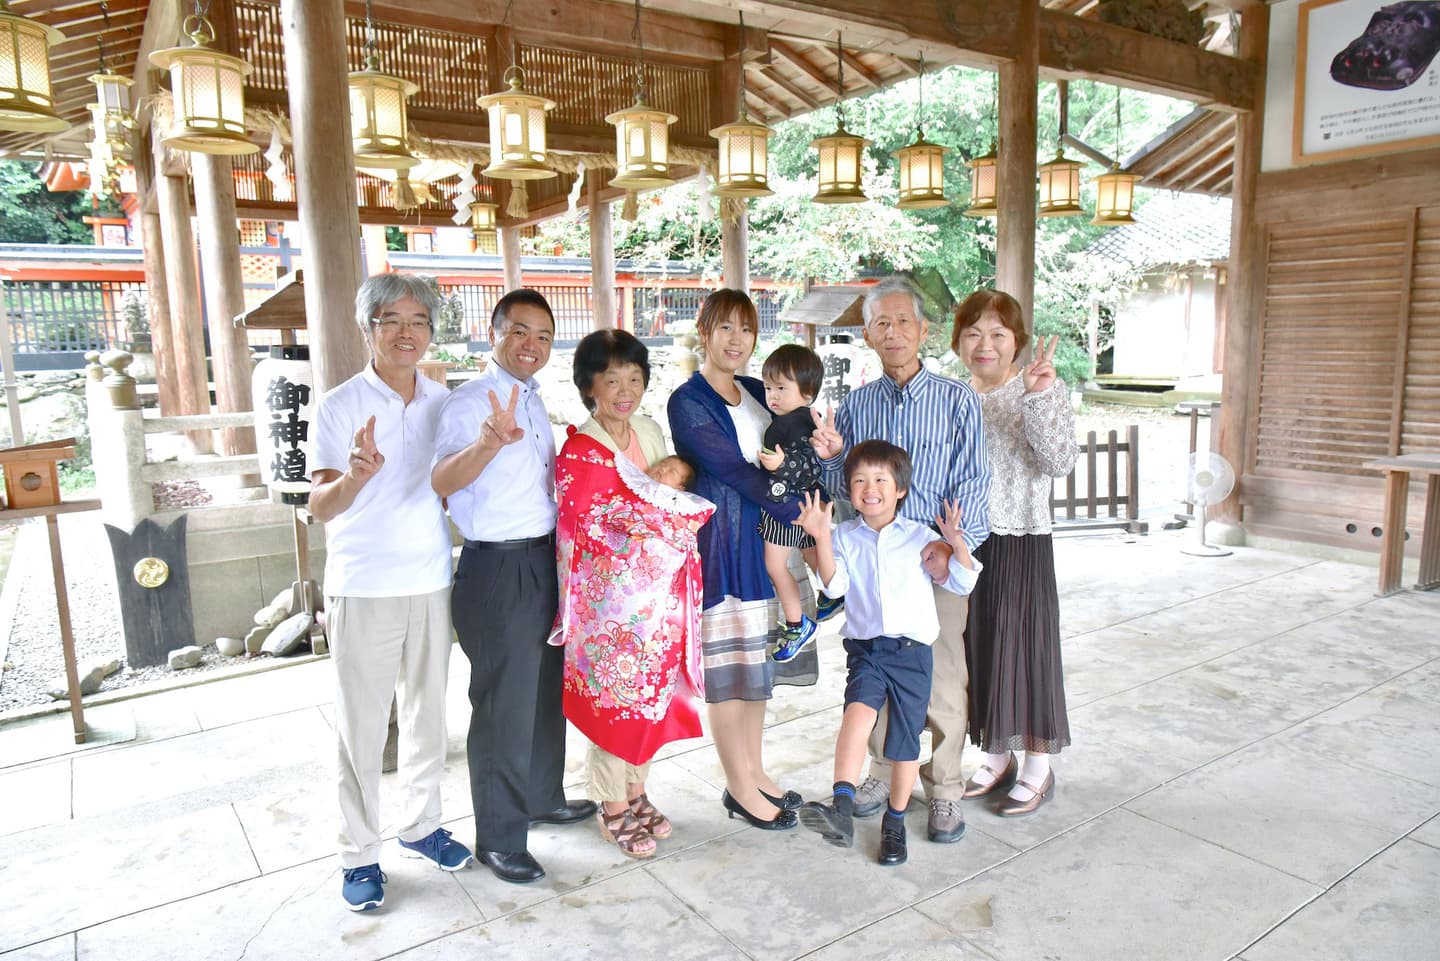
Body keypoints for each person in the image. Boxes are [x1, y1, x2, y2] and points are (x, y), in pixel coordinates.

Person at [309, 273, 472, 911]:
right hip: (364, 583)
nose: (407, 334)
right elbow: (321, 507)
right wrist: (355, 475)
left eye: (418, 322)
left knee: (428, 715)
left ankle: (422, 826)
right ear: (369, 329)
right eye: (391, 322)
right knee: (362, 727)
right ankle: (358, 853)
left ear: (432, 331)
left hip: (431, 577)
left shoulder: (443, 401)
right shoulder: (341, 404)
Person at [810, 275, 990, 845]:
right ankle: (884, 778)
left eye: (903, 322)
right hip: (872, 566)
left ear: (924, 330)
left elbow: (974, 479)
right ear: (867, 334)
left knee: (940, 680)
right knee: (875, 677)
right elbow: (843, 490)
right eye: (881, 324)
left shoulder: (956, 399)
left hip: (930, 559)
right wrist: (833, 459)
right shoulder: (855, 406)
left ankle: (944, 790)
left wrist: (953, 544)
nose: (893, 333)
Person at [431, 289, 595, 885]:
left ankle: (542, 796)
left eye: (544, 337)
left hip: (544, 562)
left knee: (547, 692)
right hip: (498, 570)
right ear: (493, 331)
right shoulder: (469, 402)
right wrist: (486, 443)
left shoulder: (531, 401)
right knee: (503, 706)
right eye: (520, 332)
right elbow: (440, 480)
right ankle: (499, 838)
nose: (532, 345)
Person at [554, 329, 710, 860]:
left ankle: (637, 791)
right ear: (589, 386)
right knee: (614, 701)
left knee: (649, 697)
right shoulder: (581, 449)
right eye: (611, 379)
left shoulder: (647, 428)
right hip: (608, 606)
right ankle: (611, 807)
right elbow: (589, 523)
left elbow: (669, 494)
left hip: (655, 598)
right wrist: (649, 528)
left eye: (635, 378)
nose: (625, 390)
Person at [795, 441, 980, 866]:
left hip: (913, 654)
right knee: (856, 716)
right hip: (867, 651)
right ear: (848, 489)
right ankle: (841, 810)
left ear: (900, 490)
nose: (869, 488)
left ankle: (894, 823)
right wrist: (821, 536)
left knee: (903, 745)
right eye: (859, 480)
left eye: (881, 479)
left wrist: (956, 542)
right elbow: (833, 588)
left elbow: (963, 582)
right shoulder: (843, 535)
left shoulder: (919, 537)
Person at [667, 288, 810, 832]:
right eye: (725, 327)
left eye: (746, 330)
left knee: (757, 667)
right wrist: (797, 506)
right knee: (729, 673)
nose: (736, 340)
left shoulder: (757, 390)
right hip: (725, 547)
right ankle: (737, 787)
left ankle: (754, 770)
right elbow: (732, 469)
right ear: (704, 330)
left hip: (768, 544)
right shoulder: (690, 400)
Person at [952, 290, 1077, 816]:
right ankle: (997, 753)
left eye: (998, 334)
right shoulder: (955, 396)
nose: (986, 344)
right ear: (958, 341)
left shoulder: (1039, 387)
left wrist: (1039, 398)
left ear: (1018, 343)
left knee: (1024, 648)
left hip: (1021, 537)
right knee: (982, 649)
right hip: (967, 540)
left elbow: (1060, 461)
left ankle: (1038, 765)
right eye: (975, 333)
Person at [756, 344, 827, 662]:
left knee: (775, 565)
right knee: (813, 554)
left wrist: (779, 466)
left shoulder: (793, 424)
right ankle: (833, 595)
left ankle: (798, 624)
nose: (773, 395)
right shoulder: (807, 419)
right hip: (810, 506)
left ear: (807, 391)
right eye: (769, 386)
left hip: (787, 507)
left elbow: (809, 462)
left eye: (782, 387)